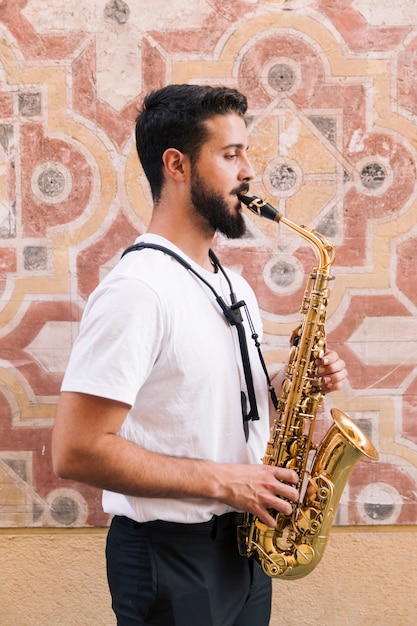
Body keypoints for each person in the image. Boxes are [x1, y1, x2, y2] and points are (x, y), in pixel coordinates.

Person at [52, 84, 347, 626]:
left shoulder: (230, 283)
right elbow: (76, 450)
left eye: (246, 153)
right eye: (231, 155)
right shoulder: (137, 290)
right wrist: (227, 481)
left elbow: (205, 404)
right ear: (177, 165)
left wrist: (293, 387)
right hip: (172, 557)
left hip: (244, 548)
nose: (248, 171)